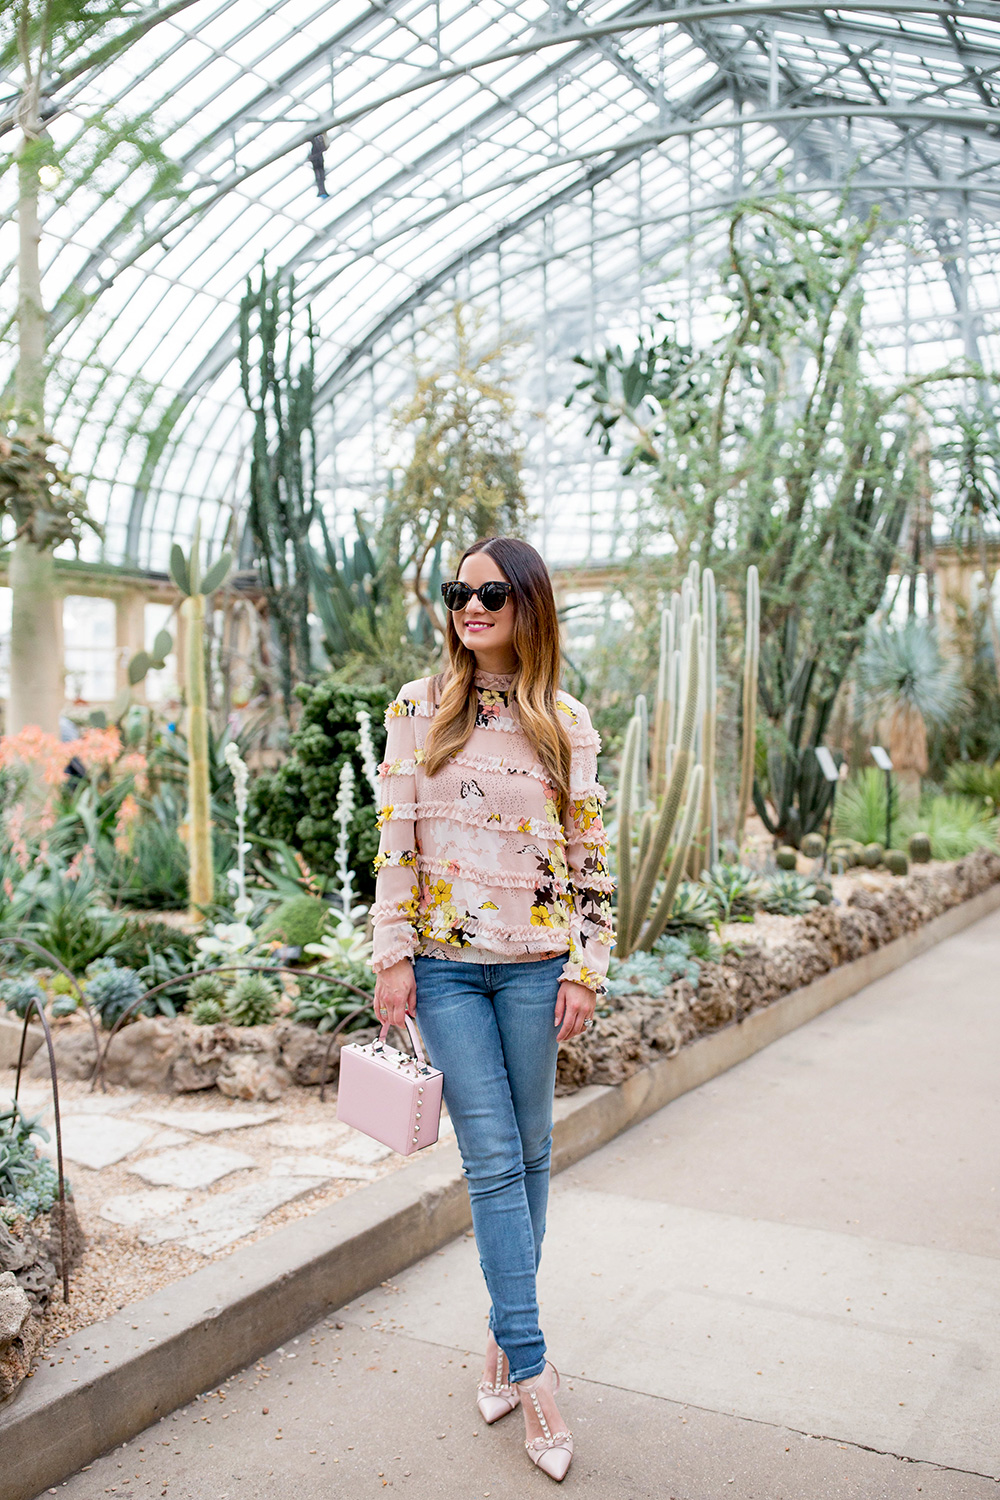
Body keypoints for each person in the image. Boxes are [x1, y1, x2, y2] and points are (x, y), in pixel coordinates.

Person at [370, 535, 615, 1483]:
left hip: (533, 969)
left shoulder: (566, 722)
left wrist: (585, 968)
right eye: (458, 592)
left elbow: (590, 860)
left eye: (491, 593)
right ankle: (538, 1372)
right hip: (442, 970)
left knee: (534, 1156)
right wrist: (391, 955)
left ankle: (500, 1345)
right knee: (492, 1163)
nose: (471, 607)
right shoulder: (415, 711)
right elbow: (397, 842)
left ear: (529, 605)